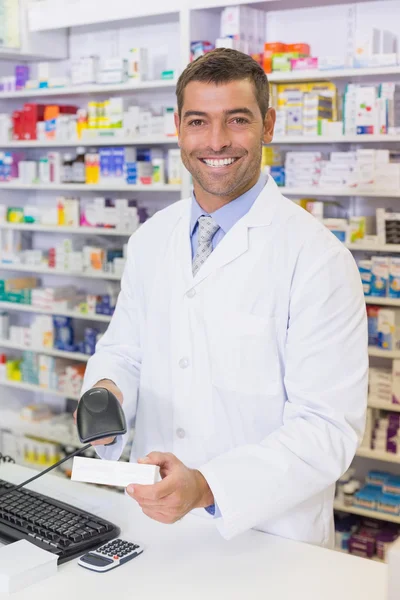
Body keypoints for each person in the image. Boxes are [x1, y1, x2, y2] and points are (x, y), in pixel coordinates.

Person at [78, 48, 368, 547]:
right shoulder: (151, 238)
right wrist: (107, 395)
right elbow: (125, 348)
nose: (216, 141)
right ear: (178, 128)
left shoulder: (318, 258)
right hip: (156, 524)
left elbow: (325, 430)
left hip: (270, 538)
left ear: (268, 125)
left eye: (237, 120)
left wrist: (208, 486)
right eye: (199, 121)